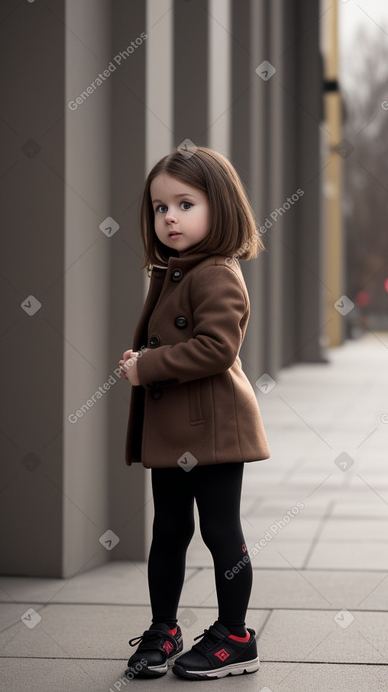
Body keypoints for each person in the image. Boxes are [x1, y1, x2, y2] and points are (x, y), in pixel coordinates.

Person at [119, 146, 271, 681]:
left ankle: (235, 637)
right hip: (179, 431)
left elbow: (216, 349)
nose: (170, 218)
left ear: (220, 207)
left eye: (185, 204)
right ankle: (165, 628)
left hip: (214, 431)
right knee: (169, 531)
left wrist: (150, 365)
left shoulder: (216, 274)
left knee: (221, 531)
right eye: (160, 208)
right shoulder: (177, 270)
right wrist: (145, 363)